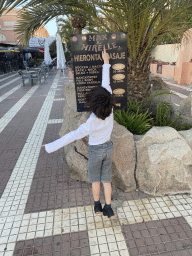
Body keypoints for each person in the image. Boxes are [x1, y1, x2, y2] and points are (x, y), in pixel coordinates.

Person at [42, 47, 116, 218]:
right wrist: (106, 62)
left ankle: (97, 206)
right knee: (106, 179)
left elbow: (71, 136)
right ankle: (109, 207)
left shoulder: (91, 122)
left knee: (95, 179)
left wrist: (50, 146)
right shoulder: (109, 106)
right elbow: (106, 84)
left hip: (96, 150)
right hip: (108, 147)